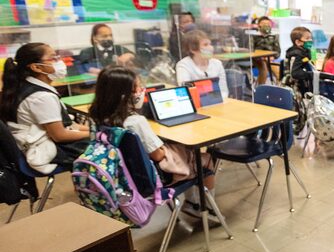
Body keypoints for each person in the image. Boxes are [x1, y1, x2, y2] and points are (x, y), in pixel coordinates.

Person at [88, 66, 215, 191]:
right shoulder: (135, 122)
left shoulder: (96, 116)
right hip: (154, 177)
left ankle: (190, 202)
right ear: (125, 95)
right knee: (205, 158)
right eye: (138, 87)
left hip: (119, 172)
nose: (142, 90)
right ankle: (205, 208)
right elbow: (158, 155)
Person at [0, 43, 90, 171]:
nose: (59, 62)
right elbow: (60, 135)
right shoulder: (41, 97)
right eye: (53, 58)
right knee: (108, 146)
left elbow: (66, 125)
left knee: (102, 137)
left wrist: (93, 130)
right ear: (36, 67)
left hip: (38, 142)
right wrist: (93, 133)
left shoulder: (26, 86)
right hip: (45, 149)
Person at [175, 30, 229, 100]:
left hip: (218, 103)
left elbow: (224, 91)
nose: (211, 48)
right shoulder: (183, 65)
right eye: (205, 45)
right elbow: (186, 92)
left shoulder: (217, 63)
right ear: (193, 49)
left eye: (210, 44)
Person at [285, 26, 315, 95]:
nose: (310, 40)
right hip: (297, 86)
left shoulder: (304, 51)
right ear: (298, 42)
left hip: (304, 82)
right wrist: (310, 74)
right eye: (307, 38)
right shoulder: (297, 54)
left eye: (311, 38)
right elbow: (295, 73)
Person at [251, 16, 279, 85]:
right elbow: (251, 50)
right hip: (257, 59)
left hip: (270, 59)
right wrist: (260, 57)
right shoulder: (253, 36)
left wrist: (273, 57)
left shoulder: (274, 36)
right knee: (264, 69)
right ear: (259, 25)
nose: (266, 25)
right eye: (263, 23)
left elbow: (278, 51)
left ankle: (279, 89)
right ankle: (260, 89)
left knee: (279, 71)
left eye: (268, 24)